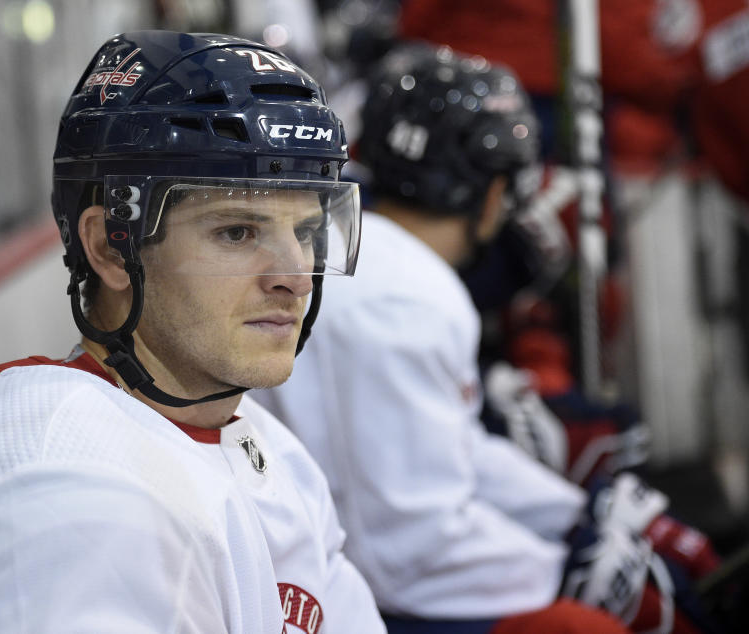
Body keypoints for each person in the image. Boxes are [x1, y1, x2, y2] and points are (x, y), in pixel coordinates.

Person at [0, 30, 385, 634]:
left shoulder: (264, 446)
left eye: (305, 233)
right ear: (110, 248)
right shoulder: (63, 492)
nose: (294, 277)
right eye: (237, 232)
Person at [254, 42, 707, 633]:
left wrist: (574, 516)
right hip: (333, 591)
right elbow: (409, 554)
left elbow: (453, 455)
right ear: (491, 193)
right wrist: (563, 568)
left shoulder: (351, 241)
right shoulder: (410, 292)